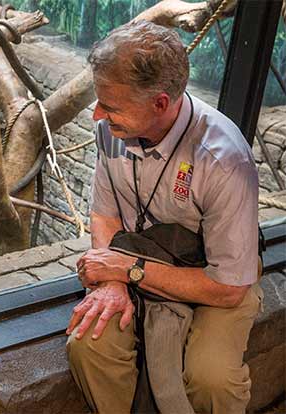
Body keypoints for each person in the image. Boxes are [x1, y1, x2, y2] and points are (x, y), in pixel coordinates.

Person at [65, 20, 262, 414]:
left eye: (111, 106)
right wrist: (111, 282)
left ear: (160, 103)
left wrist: (128, 270)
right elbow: (105, 215)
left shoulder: (223, 159)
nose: (97, 116)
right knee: (89, 345)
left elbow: (228, 288)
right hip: (136, 258)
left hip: (210, 274)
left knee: (212, 378)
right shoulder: (114, 129)